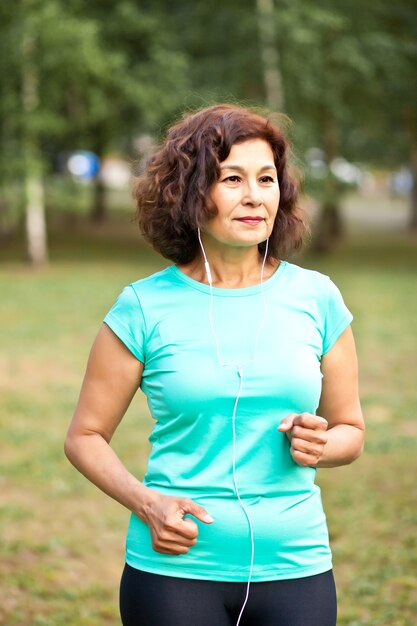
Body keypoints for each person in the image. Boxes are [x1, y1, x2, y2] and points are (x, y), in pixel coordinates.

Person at [64, 104, 365, 626]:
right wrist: (146, 503)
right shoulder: (143, 306)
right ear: (189, 191)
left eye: (266, 178)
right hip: (175, 572)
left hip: (296, 565)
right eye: (232, 178)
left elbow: (351, 431)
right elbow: (85, 435)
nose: (254, 195)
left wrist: (322, 444)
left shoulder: (317, 298)